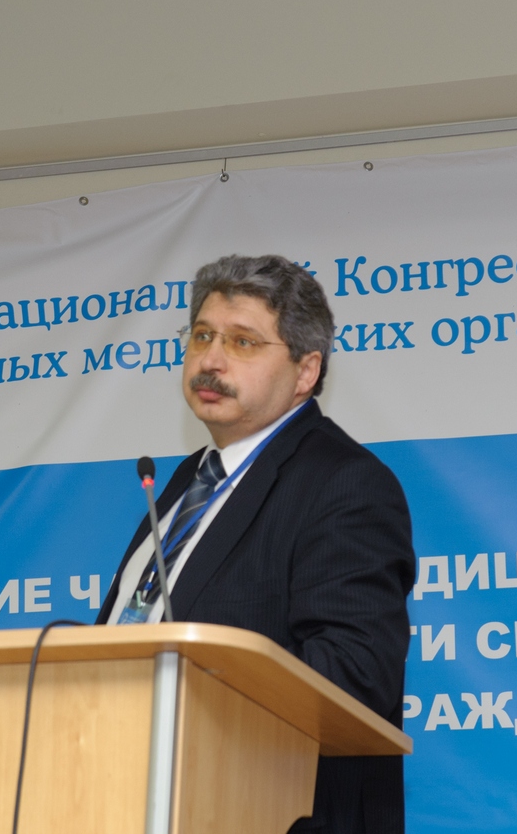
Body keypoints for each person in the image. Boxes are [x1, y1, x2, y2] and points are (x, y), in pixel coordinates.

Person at [97, 254, 416, 834]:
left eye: (243, 342)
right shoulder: (190, 478)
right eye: (202, 336)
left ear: (306, 371)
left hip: (276, 811)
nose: (211, 360)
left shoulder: (344, 484)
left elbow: (356, 675)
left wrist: (188, 695)